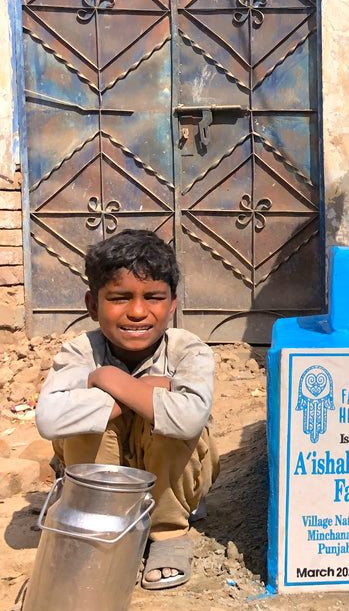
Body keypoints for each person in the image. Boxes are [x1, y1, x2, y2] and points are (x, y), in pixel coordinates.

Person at [36, 229, 219, 590]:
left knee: (168, 426)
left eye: (153, 297)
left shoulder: (188, 350)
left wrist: (107, 381)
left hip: (170, 482)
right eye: (119, 298)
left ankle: (168, 533)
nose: (137, 312)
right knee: (91, 425)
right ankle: (99, 521)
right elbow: (50, 419)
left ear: (172, 305)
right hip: (103, 484)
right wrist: (142, 390)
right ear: (92, 305)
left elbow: (187, 419)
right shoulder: (79, 352)